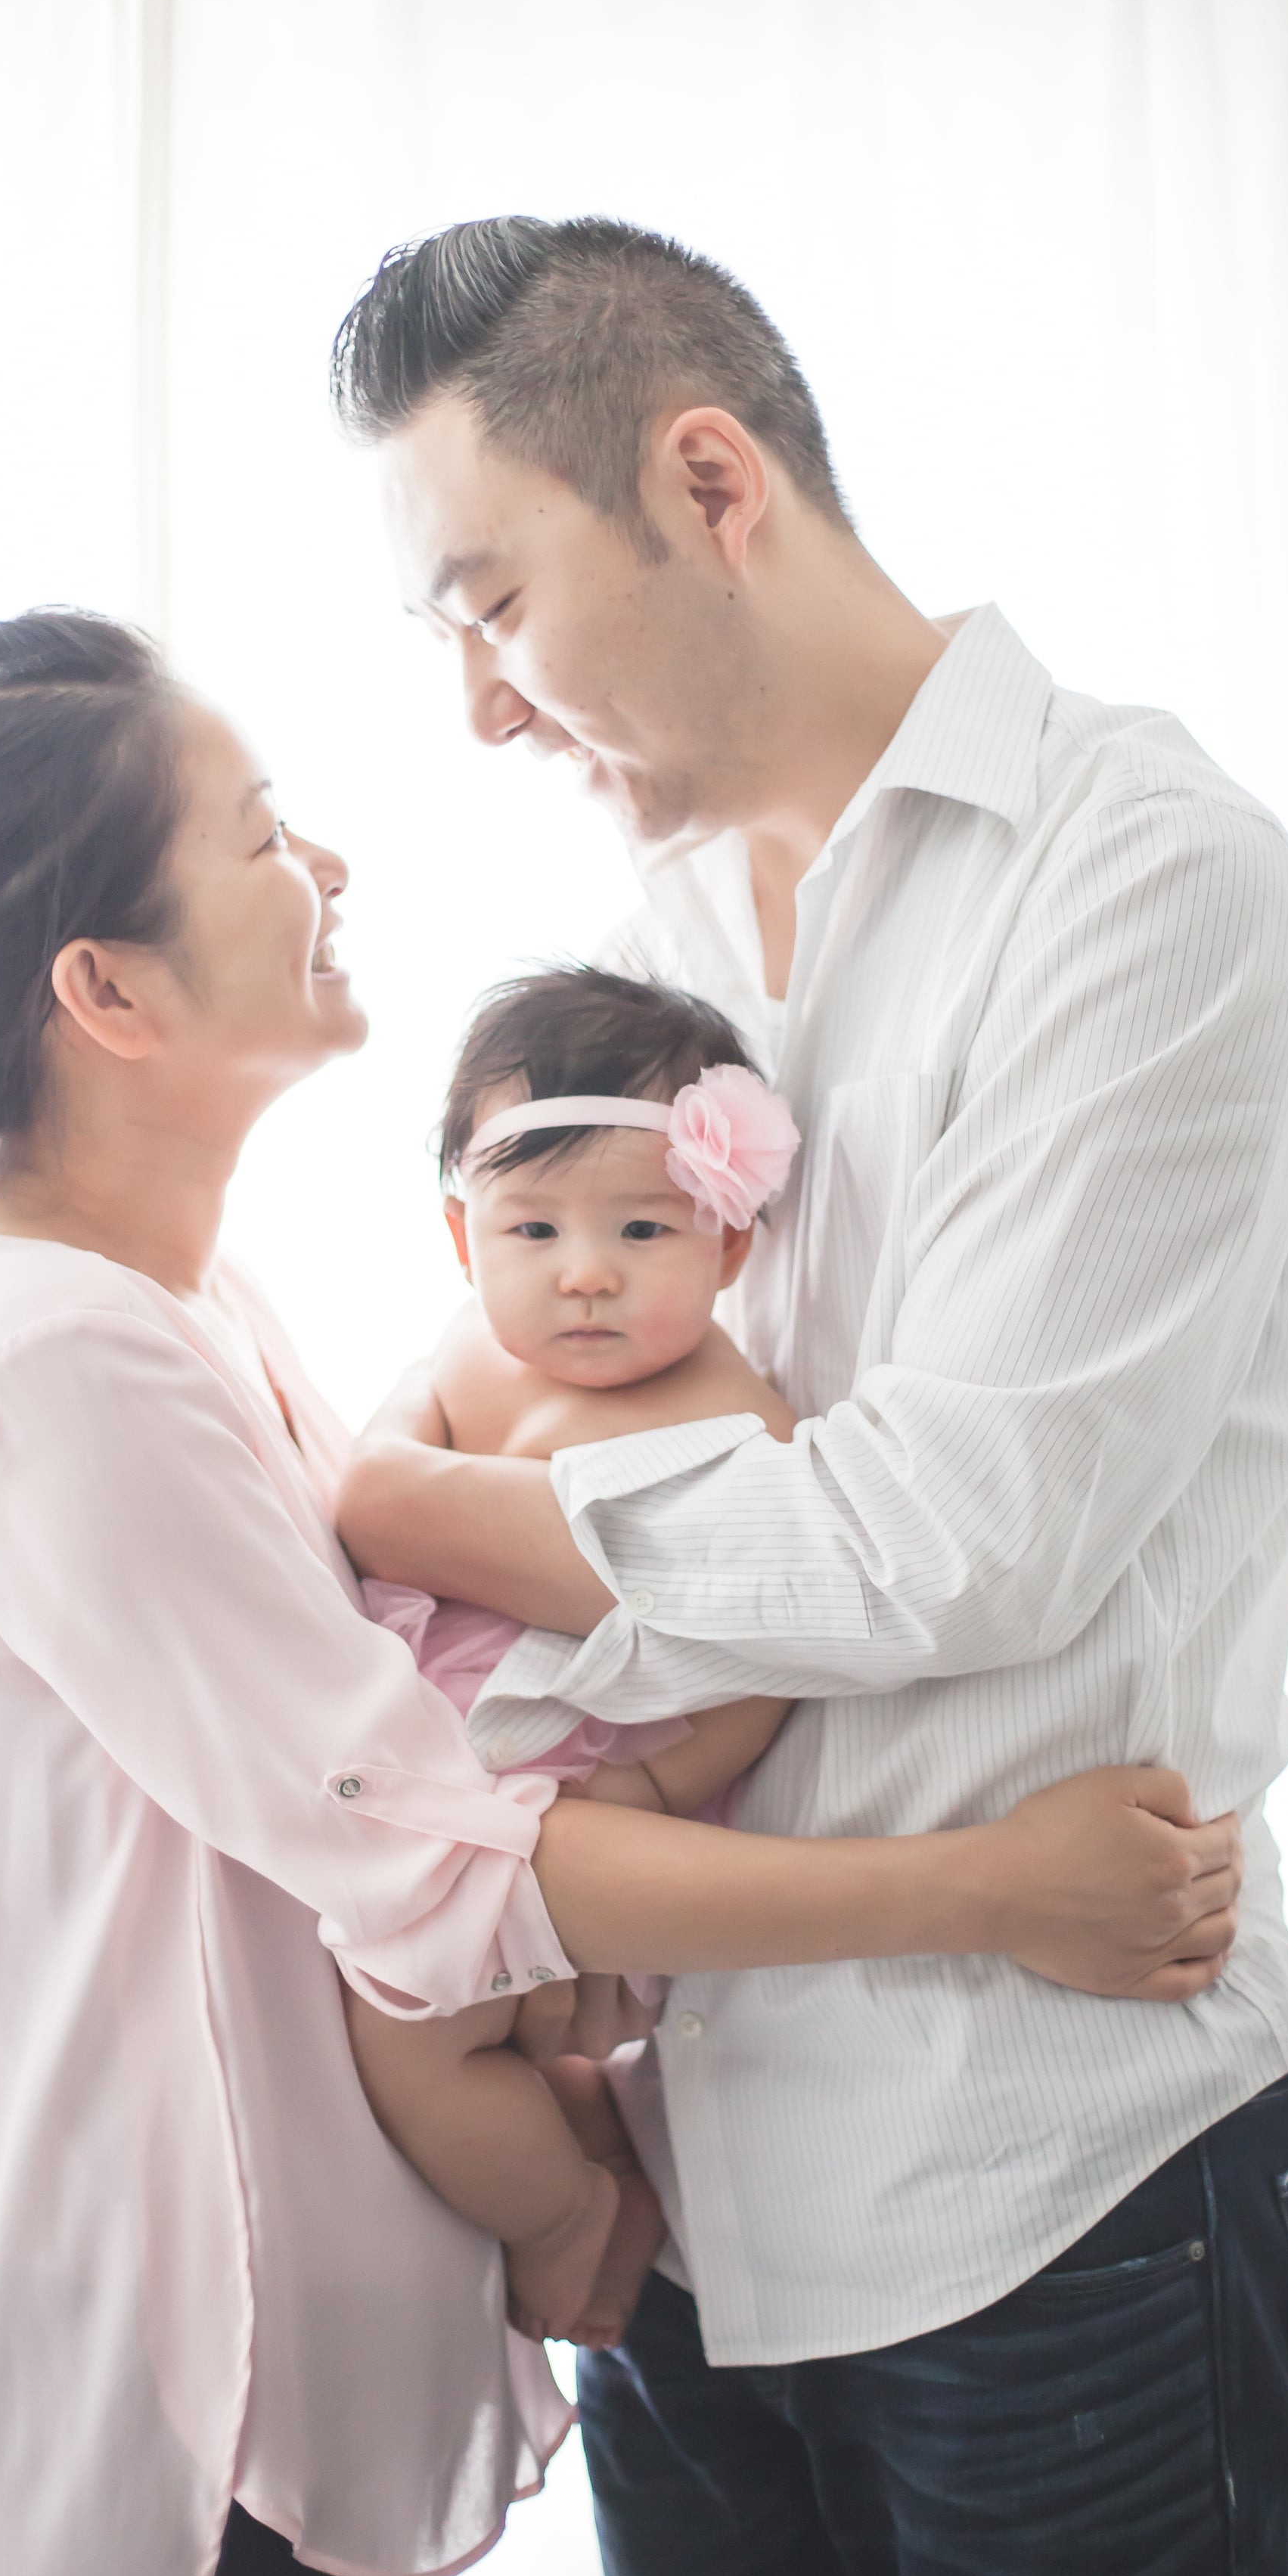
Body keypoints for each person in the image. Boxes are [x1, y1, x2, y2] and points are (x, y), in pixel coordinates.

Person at [0, 610, 1240, 2576]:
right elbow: (444, 1857)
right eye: (263, 833)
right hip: (184, 2394)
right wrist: (996, 1884)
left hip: (264, 2357)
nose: (329, 867)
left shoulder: (174, 1302)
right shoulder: (48, 1355)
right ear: (104, 989)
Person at [329, 215, 1288, 2576]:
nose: (484, 710)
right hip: (697, 2189)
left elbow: (956, 1532)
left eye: (495, 605)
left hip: (1048, 2184)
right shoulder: (669, 925)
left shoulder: (1145, 883)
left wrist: (385, 1509)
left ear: (708, 482)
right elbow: (570, 1378)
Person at [350, 965, 803, 2351]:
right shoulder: (463, 1357)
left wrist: (671, 1787)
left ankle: (565, 2220)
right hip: (437, 1760)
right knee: (409, 2033)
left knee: (408, 2043)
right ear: (461, 1235)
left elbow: (774, 1643)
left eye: (642, 1227)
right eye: (531, 1225)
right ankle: (598, 2137)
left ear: (728, 1244)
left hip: (584, 1788)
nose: (585, 1268)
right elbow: (369, 1467)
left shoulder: (736, 1413)